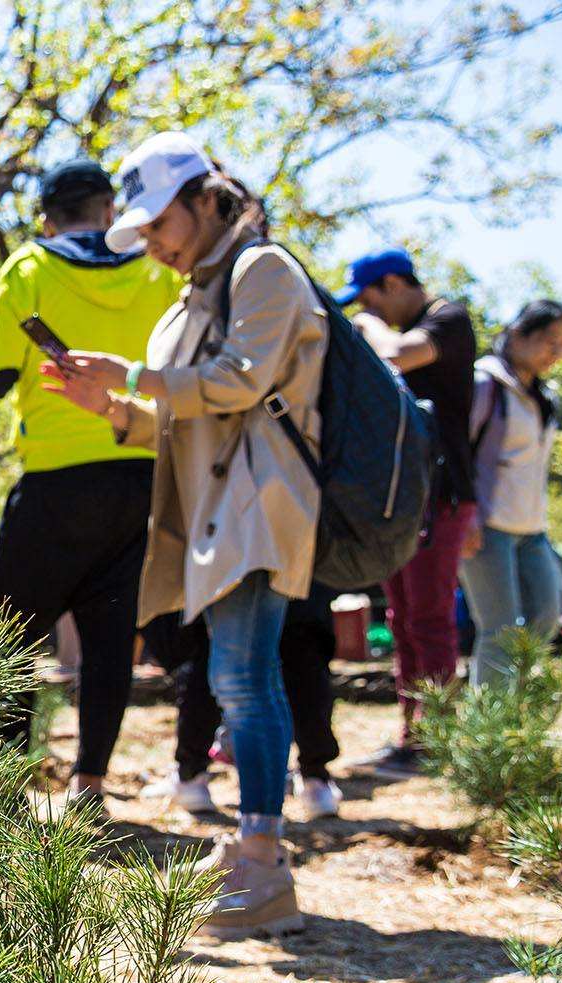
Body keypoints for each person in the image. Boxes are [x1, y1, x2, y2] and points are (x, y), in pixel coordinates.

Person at [45, 130, 327, 941]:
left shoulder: (263, 270)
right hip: (214, 509)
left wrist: (129, 375)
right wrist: (111, 409)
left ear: (207, 200)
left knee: (243, 677)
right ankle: (253, 848)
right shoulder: (190, 295)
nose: (156, 244)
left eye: (161, 222)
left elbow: (239, 383)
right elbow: (177, 422)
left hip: (260, 503)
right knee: (237, 675)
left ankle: (264, 863)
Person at [0, 158, 183, 813]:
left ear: (47, 216)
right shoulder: (157, 268)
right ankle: (90, 785)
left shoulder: (31, 269)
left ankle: (9, 783)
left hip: (54, 482)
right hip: (141, 471)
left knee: (9, 633)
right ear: (109, 210)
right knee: (109, 638)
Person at [336, 247, 478, 777]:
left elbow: (397, 353)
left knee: (430, 617)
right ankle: (412, 735)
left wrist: (368, 325)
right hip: (399, 498)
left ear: (394, 283)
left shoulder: (448, 319)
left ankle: (437, 740)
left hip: (442, 495)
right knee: (401, 618)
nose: (367, 310)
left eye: (371, 298)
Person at [151, 588, 343, 820]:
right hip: (291, 566)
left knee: (214, 648)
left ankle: (193, 775)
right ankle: (315, 780)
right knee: (301, 640)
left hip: (229, 569)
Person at [457, 299, 562, 684]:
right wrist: (465, 514)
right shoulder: (484, 384)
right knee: (499, 630)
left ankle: (514, 714)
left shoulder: (543, 397)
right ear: (518, 333)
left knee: (545, 619)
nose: (557, 353)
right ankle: (488, 735)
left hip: (532, 530)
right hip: (487, 527)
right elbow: (457, 454)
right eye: (550, 341)